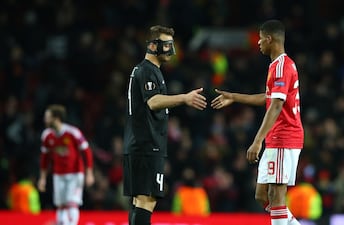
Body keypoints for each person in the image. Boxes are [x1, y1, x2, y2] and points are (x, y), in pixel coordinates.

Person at [211, 20, 304, 225]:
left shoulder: (281, 65)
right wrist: (234, 97)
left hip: (284, 136)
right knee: (262, 194)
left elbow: (277, 105)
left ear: (270, 39)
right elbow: (269, 97)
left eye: (261, 38)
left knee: (276, 194)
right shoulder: (277, 65)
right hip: (277, 137)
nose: (259, 43)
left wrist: (257, 140)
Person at [122, 25, 207, 225]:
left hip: (141, 145)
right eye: (167, 44)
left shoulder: (149, 71)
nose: (171, 49)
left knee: (139, 201)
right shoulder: (146, 70)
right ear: (152, 45)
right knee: (146, 201)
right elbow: (153, 102)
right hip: (146, 145)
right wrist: (185, 98)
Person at [38, 104, 95, 225]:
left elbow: (87, 151)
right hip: (58, 174)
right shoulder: (47, 136)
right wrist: (42, 178)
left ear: (56, 118)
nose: (45, 120)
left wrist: (89, 173)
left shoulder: (73, 132)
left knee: (72, 203)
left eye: (48, 117)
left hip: (75, 174)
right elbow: (45, 159)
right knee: (60, 205)